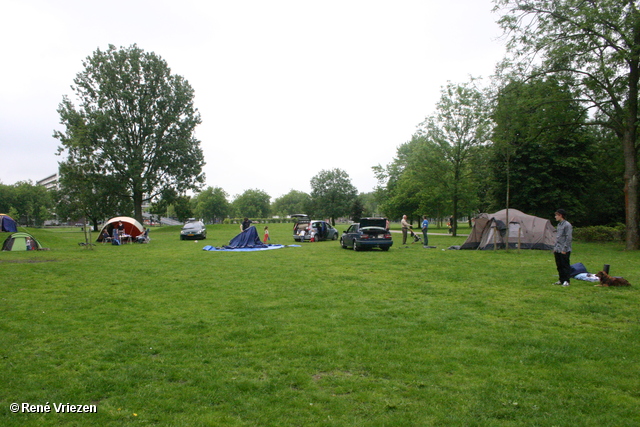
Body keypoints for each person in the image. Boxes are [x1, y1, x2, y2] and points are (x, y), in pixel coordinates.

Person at [553, 209, 573, 286]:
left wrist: (564, 249)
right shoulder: (559, 225)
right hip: (557, 248)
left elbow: (568, 238)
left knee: (565, 265)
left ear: (560, 215)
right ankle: (561, 280)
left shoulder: (567, 225)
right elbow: (558, 237)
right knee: (559, 265)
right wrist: (555, 248)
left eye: (556, 215)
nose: (555, 217)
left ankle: (566, 281)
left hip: (564, 249)